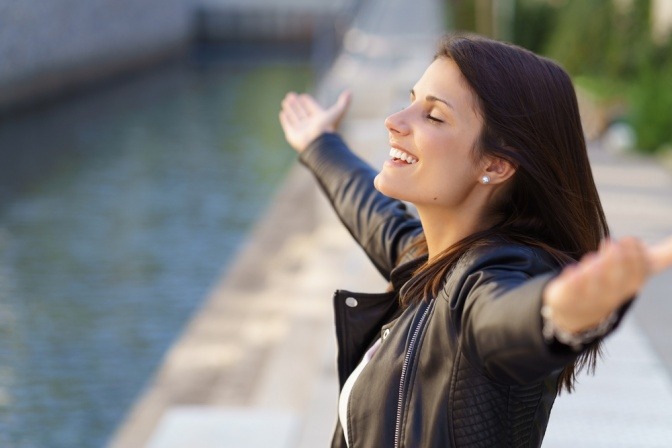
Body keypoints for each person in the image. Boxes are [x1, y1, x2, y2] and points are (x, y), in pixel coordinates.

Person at [279, 33, 672, 448]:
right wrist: (320, 144)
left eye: (433, 116)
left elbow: (502, 316)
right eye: (412, 100)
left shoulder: (487, 276)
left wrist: (557, 313)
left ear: (495, 164)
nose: (394, 121)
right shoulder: (431, 260)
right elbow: (375, 216)